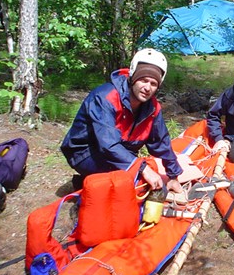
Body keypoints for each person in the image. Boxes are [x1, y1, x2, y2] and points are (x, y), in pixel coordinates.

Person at [61, 49, 183, 193]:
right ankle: (91, 187)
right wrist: (142, 168)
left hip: (118, 150)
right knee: (132, 181)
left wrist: (173, 175)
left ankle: (92, 182)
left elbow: (161, 142)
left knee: (138, 178)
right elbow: (107, 144)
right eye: (143, 80)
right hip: (85, 151)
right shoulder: (105, 97)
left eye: (153, 83)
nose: (147, 88)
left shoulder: (152, 108)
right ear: (133, 78)